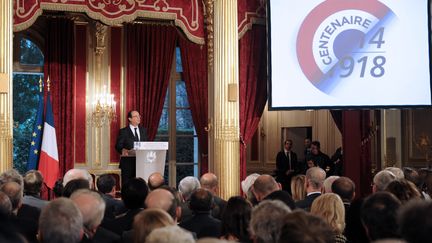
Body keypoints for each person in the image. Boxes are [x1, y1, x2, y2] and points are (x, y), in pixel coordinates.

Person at [115, 110, 147, 184]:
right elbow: (118, 145)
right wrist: (123, 150)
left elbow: (146, 144)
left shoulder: (144, 130)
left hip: (141, 163)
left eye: (139, 116)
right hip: (128, 164)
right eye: (136, 116)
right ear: (130, 119)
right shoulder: (123, 131)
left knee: (140, 185)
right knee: (127, 185)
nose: (139, 118)